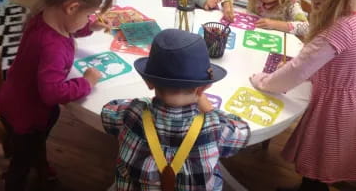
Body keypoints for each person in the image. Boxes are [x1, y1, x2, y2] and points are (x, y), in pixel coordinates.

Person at [250, 0, 356, 191]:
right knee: (322, 156)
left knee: (321, 155)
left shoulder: (338, 29)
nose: (313, 9)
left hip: (335, 105)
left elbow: (298, 70)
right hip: (350, 96)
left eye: (316, 3)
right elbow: (330, 60)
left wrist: (264, 81)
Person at [0, 0, 117, 191]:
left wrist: (88, 27)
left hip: (16, 99)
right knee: (20, 164)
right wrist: (86, 82)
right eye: (88, 15)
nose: (89, 19)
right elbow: (52, 93)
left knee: (35, 145)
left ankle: (40, 163)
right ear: (71, 7)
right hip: (27, 115)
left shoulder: (43, 15)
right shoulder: (53, 47)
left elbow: (68, 26)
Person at [101, 29, 250, 190]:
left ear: (148, 82)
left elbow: (107, 112)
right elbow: (243, 131)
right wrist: (208, 108)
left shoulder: (131, 112)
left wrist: (142, 103)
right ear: (204, 88)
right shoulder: (216, 127)